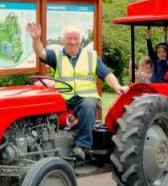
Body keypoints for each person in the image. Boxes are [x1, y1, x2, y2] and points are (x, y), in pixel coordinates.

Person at [26, 22, 128, 160]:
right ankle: (38, 143)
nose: (73, 42)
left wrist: (117, 87)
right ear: (63, 40)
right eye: (69, 38)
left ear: (81, 40)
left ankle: (82, 146)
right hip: (63, 98)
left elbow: (106, 74)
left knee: (88, 105)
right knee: (41, 106)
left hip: (85, 97)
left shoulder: (91, 57)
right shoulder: (56, 56)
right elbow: (40, 52)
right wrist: (35, 39)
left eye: (76, 38)